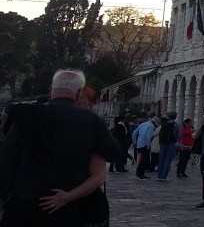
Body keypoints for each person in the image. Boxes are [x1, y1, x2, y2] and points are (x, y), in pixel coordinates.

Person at [0, 69, 119, 226]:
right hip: (68, 208)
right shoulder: (90, 120)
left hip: (24, 206)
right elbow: (112, 154)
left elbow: (6, 161)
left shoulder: (26, 116)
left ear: (51, 89)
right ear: (78, 93)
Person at [157, 111, 181, 181]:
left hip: (162, 143)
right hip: (171, 143)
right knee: (168, 160)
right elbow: (178, 135)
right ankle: (164, 176)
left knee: (161, 160)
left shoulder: (164, 123)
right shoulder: (176, 125)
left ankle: (159, 176)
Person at [131, 112, 156, 180]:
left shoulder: (143, 124)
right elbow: (148, 136)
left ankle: (138, 173)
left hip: (139, 143)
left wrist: (134, 142)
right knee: (144, 160)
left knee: (142, 159)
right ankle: (141, 174)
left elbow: (134, 133)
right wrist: (148, 145)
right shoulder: (151, 126)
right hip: (145, 144)